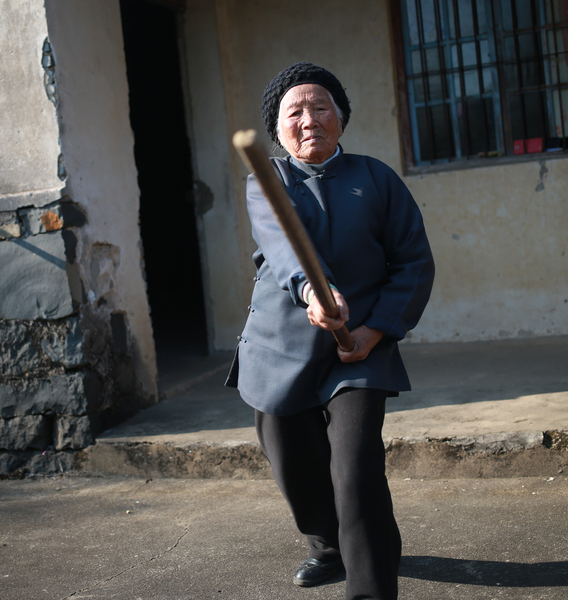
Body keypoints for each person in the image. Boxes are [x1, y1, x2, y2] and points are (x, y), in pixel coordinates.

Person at [225, 62, 435, 600]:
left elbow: (413, 263)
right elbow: (284, 244)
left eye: (320, 107)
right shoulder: (266, 180)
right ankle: (329, 545)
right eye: (294, 111)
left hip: (359, 349)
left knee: (358, 471)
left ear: (340, 118)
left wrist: (376, 330)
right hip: (280, 346)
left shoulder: (376, 178)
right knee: (295, 465)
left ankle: (369, 586)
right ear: (277, 128)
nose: (309, 118)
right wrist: (312, 290)